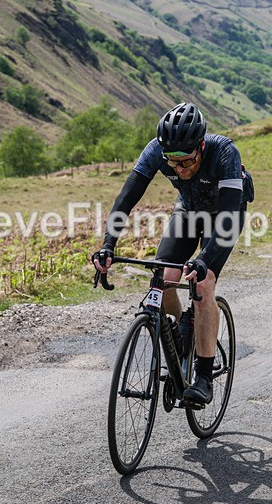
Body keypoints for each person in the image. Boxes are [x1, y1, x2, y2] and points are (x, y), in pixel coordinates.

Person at [92, 103, 254, 405]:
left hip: (225, 214)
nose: (179, 169)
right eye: (172, 162)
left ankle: (204, 376)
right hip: (188, 211)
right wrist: (108, 245)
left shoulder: (225, 153)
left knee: (203, 285)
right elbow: (127, 197)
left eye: (186, 162)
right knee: (163, 278)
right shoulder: (156, 150)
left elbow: (230, 218)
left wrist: (204, 259)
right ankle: (183, 334)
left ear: (201, 146)